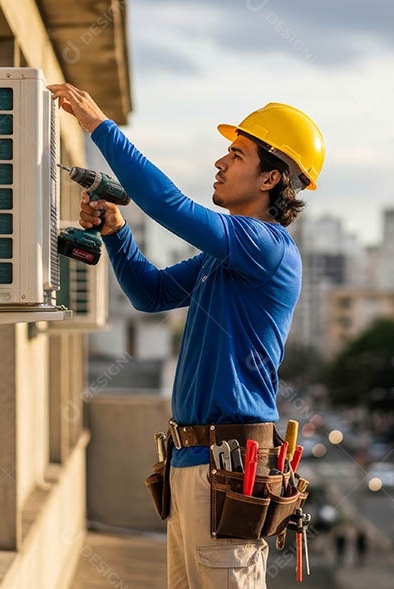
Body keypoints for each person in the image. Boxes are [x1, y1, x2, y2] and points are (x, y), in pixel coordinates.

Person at [49, 83, 325, 588]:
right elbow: (150, 294)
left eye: (236, 154)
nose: (221, 162)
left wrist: (98, 125)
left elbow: (168, 204)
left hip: (228, 470)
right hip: (193, 467)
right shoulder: (226, 258)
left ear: (270, 177)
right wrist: (116, 233)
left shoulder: (268, 247)